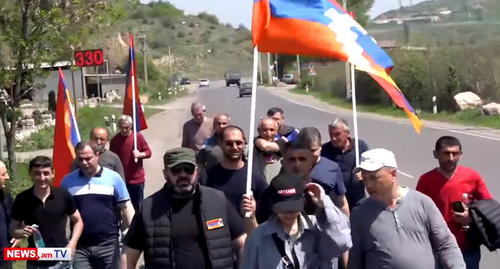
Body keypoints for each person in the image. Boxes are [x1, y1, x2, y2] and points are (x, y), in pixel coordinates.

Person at [122, 147, 247, 269]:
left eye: (188, 169)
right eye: (176, 170)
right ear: (166, 174)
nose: (183, 175)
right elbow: (128, 256)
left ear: (196, 172)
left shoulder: (217, 200)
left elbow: (242, 242)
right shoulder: (148, 209)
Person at [348, 148, 466, 269]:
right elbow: (356, 259)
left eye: (374, 178)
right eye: (365, 178)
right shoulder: (360, 213)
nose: (368, 185)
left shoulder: (422, 203)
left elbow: (446, 245)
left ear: (393, 174)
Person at [241, 173, 352, 269]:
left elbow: (343, 241)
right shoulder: (259, 237)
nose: (289, 214)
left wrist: (325, 202)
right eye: (283, 210)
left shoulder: (319, 228)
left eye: (293, 209)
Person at [416, 136, 492, 269]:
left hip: (467, 247)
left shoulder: (472, 176)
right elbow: (417, 213)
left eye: (455, 153)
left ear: (460, 155)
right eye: (446, 153)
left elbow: (488, 207)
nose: (451, 158)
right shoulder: (425, 180)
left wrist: (471, 217)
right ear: (435, 154)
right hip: (437, 247)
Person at [61, 141, 135, 269]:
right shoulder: (67, 181)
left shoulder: (113, 178)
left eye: (88, 158)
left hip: (108, 245)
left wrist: (134, 234)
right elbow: (61, 213)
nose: (84, 163)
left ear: (97, 155)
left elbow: (126, 207)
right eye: (80, 159)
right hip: (80, 247)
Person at [11, 156, 84, 269]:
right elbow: (13, 229)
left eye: (46, 173)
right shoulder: (22, 199)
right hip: (35, 262)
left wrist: (72, 244)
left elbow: (78, 221)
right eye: (37, 173)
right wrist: (21, 232)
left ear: (52, 173)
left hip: (61, 260)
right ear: (30, 173)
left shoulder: (63, 195)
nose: (42, 178)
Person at [205, 125, 268, 213]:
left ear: (244, 143)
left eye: (238, 143)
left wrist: (255, 207)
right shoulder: (209, 175)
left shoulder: (254, 173)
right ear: (221, 144)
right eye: (229, 143)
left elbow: (267, 201)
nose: (234, 147)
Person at [295, 127, 349, 216]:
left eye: (313, 150)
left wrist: (346, 225)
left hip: (325, 220)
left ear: (320, 146)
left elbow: (342, 202)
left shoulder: (332, 168)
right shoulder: (291, 166)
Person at [321, 118, 369, 210]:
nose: (333, 138)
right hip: (336, 201)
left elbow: (370, 168)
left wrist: (364, 174)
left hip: (357, 199)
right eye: (331, 134)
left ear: (347, 133)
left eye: (337, 134)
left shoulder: (360, 146)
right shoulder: (325, 151)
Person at [110, 115, 152, 210]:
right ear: (118, 126)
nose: (124, 130)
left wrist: (140, 154)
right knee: (124, 207)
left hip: (137, 179)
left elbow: (148, 153)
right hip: (122, 180)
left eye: (127, 127)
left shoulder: (138, 137)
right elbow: (112, 159)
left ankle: (139, 223)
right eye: (122, 127)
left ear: (131, 126)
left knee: (139, 206)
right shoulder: (115, 141)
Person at [197, 113, 230, 180]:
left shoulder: (237, 141)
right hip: (213, 180)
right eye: (218, 124)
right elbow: (200, 163)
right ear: (214, 126)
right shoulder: (207, 143)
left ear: (229, 125)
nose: (221, 126)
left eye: (224, 123)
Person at [253, 118, 285, 183]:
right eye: (265, 130)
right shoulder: (251, 147)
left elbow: (265, 146)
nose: (268, 133)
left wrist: (257, 140)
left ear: (277, 131)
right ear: (258, 131)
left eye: (272, 130)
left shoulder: (284, 144)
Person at [0, 161, 13, 269]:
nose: (7, 177)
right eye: (3, 174)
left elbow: (14, 221)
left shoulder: (6, 197)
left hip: (4, 256)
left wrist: (17, 236)